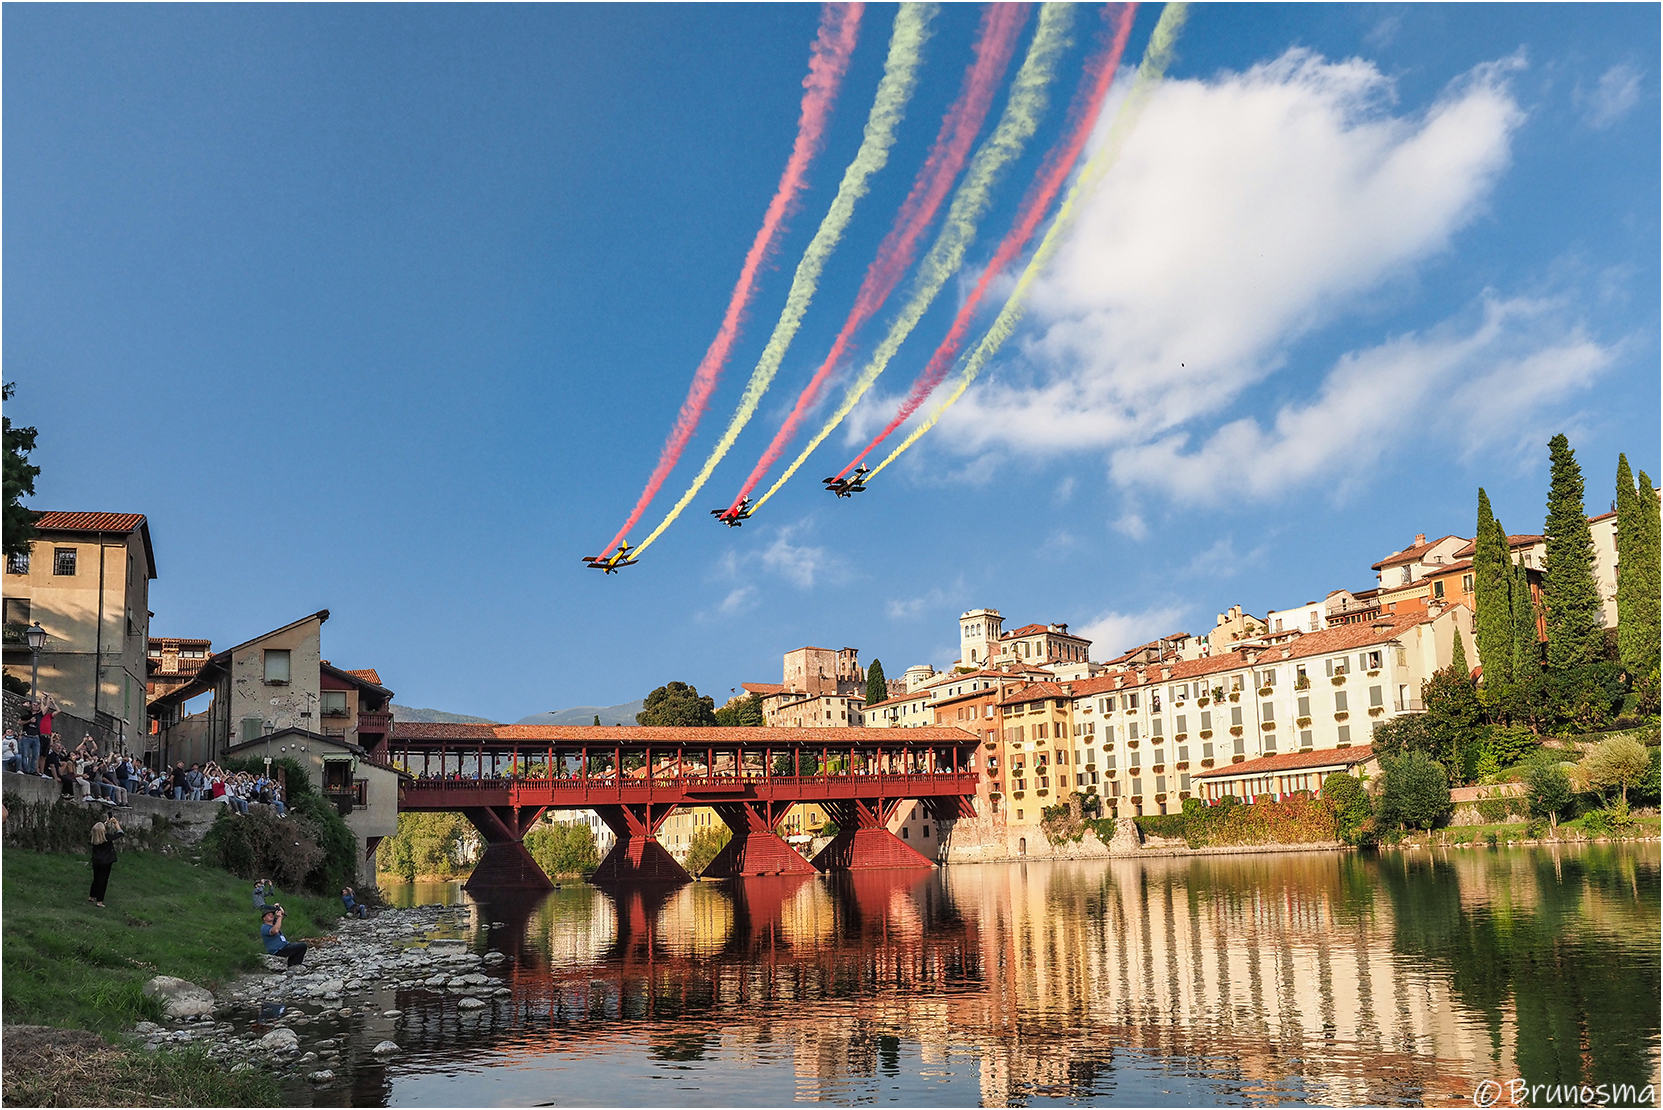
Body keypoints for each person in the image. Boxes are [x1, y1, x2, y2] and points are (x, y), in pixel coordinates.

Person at [89, 815, 123, 907]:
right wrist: (116, 824)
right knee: (103, 881)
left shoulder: (94, 837)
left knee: (96, 878)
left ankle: (92, 896)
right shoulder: (107, 837)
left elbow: (99, 829)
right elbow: (120, 833)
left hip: (96, 861)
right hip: (106, 861)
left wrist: (106, 822)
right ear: (103, 830)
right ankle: (99, 901)